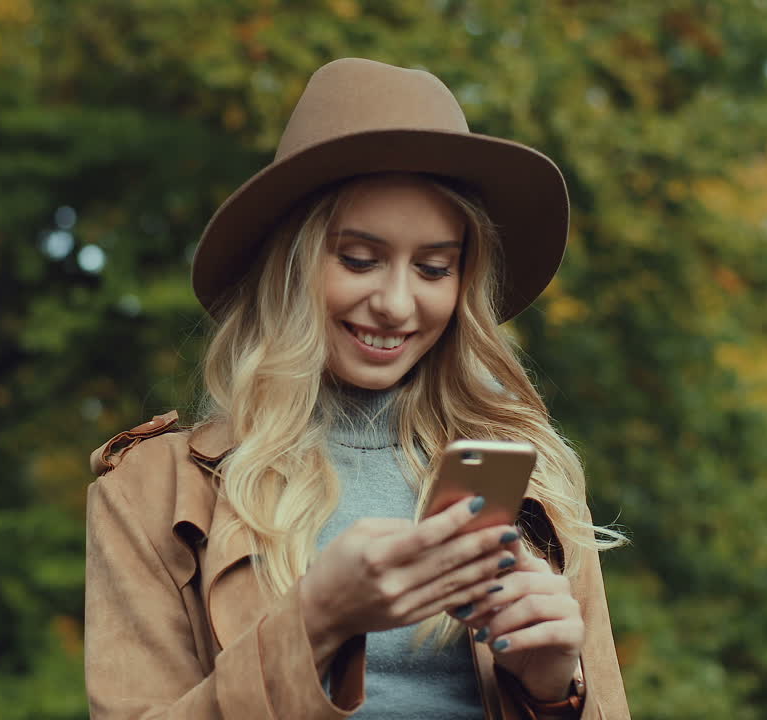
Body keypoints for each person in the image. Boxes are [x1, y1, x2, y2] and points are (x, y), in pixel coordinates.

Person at [84, 58, 631, 719]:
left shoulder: (533, 487)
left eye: (433, 268)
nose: (397, 304)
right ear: (290, 263)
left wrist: (551, 691)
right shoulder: (151, 492)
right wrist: (315, 623)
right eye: (360, 259)